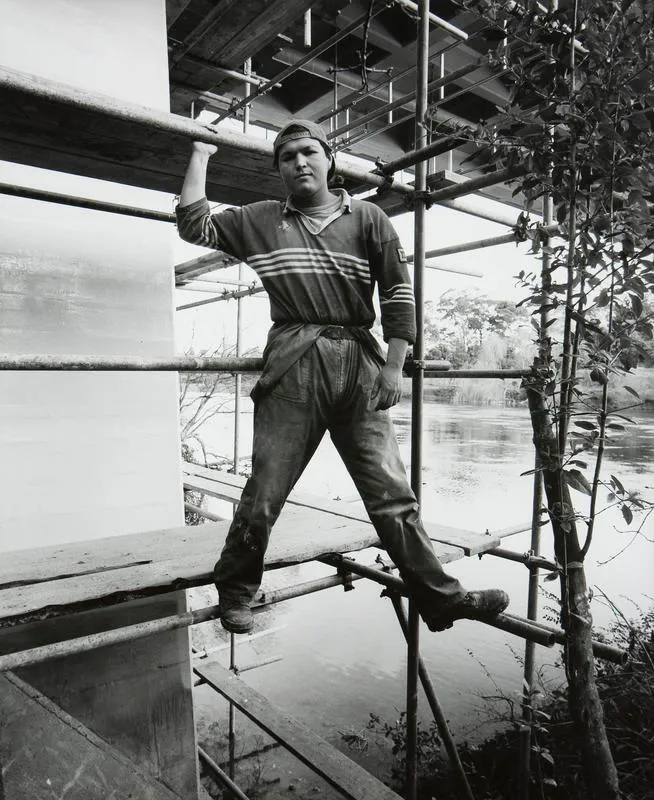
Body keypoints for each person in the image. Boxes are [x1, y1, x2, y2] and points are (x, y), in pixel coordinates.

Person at [176, 119, 509, 634]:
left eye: (309, 152)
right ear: (280, 170)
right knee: (264, 492)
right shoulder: (263, 219)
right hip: (294, 362)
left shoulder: (369, 218)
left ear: (329, 160)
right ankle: (236, 594)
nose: (300, 163)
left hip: (361, 364)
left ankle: (441, 600)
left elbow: (399, 294)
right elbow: (194, 225)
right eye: (288, 157)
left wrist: (394, 366)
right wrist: (200, 154)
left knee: (392, 496)